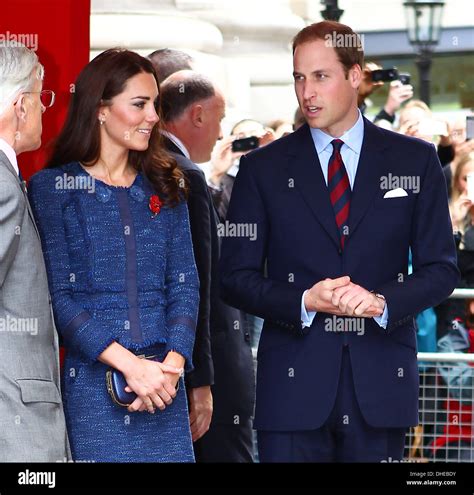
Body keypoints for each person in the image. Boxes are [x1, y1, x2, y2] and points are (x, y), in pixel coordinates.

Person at [219, 20, 460, 462]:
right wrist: (305, 299)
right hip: (291, 393)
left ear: (354, 75)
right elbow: (234, 277)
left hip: (381, 387)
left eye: (320, 76)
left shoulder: (415, 159)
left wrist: (381, 301)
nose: (306, 91)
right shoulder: (262, 169)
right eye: (298, 77)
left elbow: (442, 270)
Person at [28, 49, 199, 462]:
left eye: (154, 105)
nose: (153, 116)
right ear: (100, 110)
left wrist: (171, 367)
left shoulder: (166, 185)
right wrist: (131, 367)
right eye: (139, 104)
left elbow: (185, 285)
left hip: (164, 391)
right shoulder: (54, 189)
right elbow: (60, 299)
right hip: (94, 391)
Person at [160, 70, 256, 462]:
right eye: (219, 119)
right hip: (208, 363)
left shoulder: (170, 168)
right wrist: (202, 380)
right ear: (197, 115)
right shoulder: (185, 174)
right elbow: (199, 280)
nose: (221, 134)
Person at [0, 42, 69, 462]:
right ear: (19, 106)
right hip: (13, 415)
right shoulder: (3, 187)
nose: (46, 109)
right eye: (42, 98)